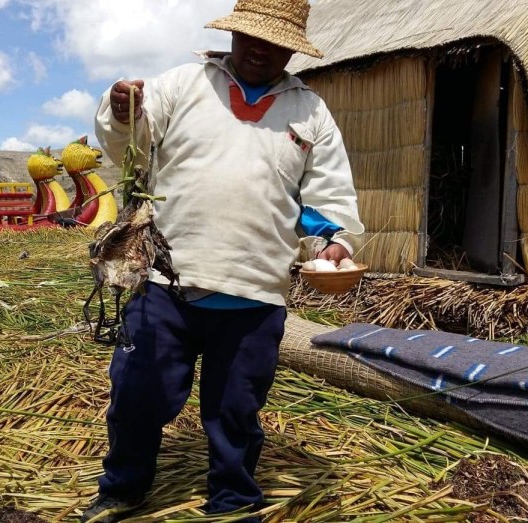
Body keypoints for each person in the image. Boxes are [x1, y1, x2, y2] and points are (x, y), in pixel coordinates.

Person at [83, 1, 364, 521]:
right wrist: (122, 111)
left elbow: (325, 196)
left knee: (235, 411)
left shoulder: (309, 112)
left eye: (275, 42)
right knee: (138, 392)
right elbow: (131, 148)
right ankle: (123, 488)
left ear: (292, 49)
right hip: (167, 279)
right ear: (233, 33)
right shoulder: (182, 85)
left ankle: (232, 503)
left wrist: (334, 244)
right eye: (251, 36)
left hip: (254, 292)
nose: (261, 48)